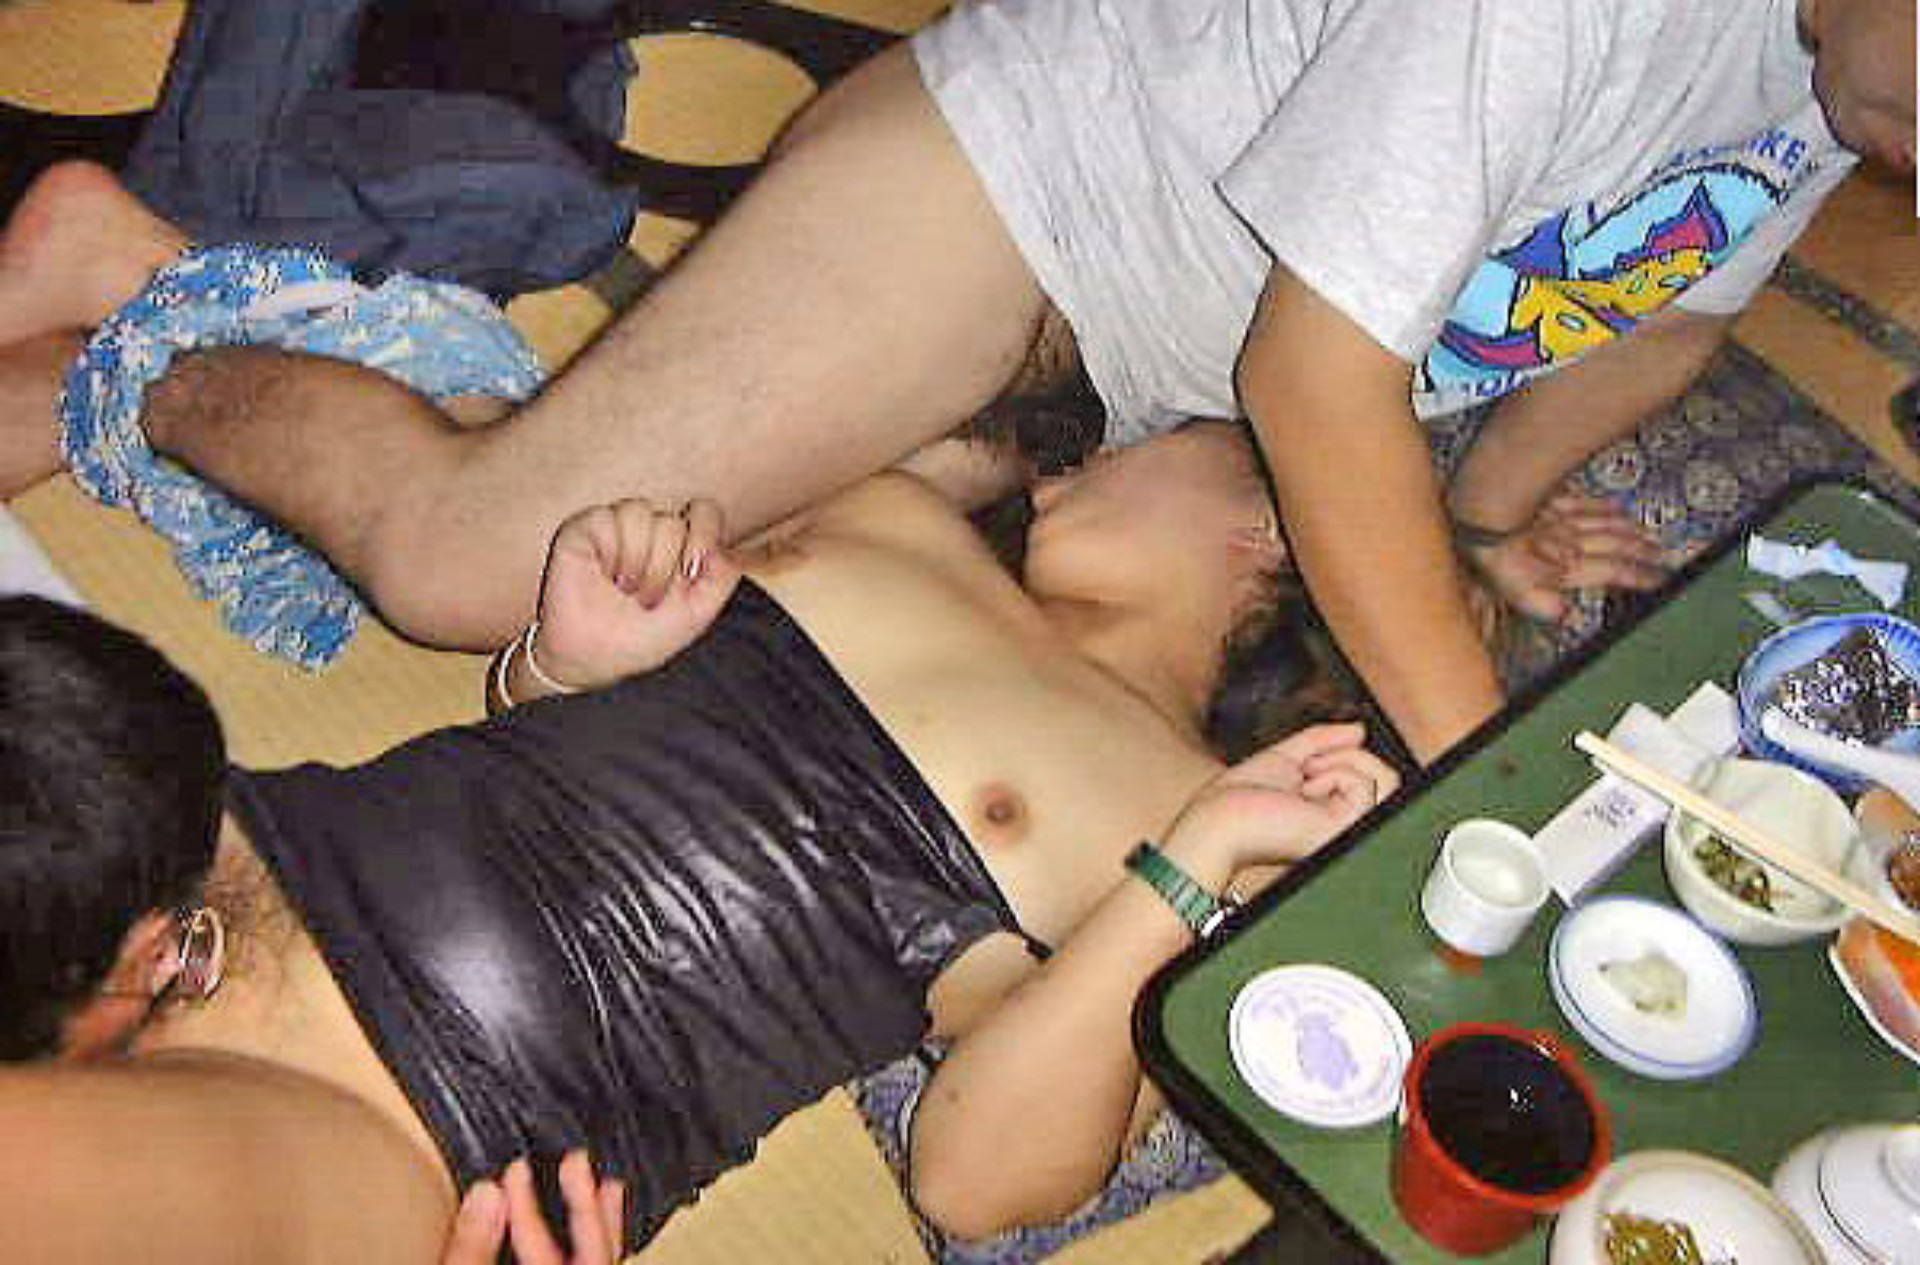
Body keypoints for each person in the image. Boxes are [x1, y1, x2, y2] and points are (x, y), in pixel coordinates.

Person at [2, 0, 1910, 764]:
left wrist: (1487, 514)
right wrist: (1478, 757)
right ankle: (134, 309)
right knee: (468, 567)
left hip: (1154, 375)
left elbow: (1673, 312)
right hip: (1017, 203)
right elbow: (1321, 377)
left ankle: (138, 320)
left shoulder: (1835, 86)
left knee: (678, 565)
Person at [0, 419, 1400, 1262]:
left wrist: (1191, 865)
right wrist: (557, 664)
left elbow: (977, 1184)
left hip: (437, 1126)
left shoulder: (1206, 820)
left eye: (1185, 434)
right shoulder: (896, 510)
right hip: (236, 856)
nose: (1100, 458)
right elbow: (565, 737)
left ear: (1273, 525)